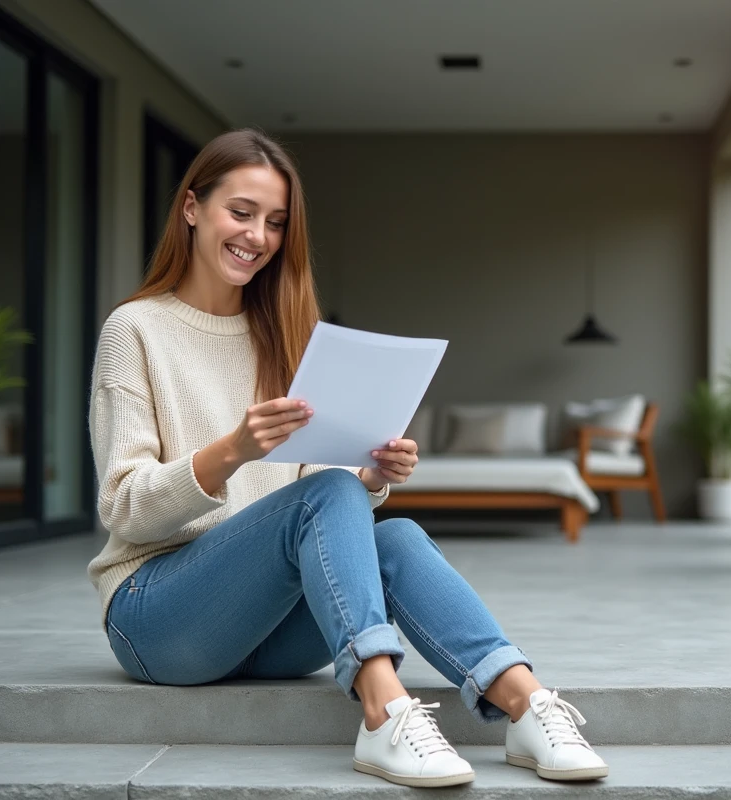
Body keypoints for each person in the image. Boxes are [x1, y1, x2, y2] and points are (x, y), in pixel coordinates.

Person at [86, 128, 608, 788]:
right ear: (191, 208)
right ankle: (384, 713)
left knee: (397, 539)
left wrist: (367, 475)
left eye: (275, 222)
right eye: (240, 212)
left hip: (261, 624)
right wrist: (233, 452)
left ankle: (524, 704)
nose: (258, 236)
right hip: (157, 616)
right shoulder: (134, 330)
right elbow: (123, 507)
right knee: (329, 503)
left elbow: (316, 495)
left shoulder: (281, 335)